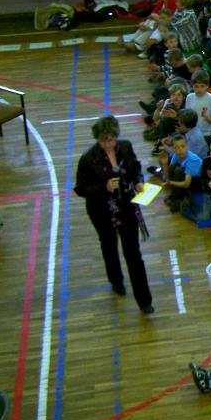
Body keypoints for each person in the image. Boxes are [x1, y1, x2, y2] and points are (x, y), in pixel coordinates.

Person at [74, 116, 153, 313]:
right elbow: (80, 188)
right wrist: (104, 187)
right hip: (102, 210)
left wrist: (138, 182)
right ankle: (116, 281)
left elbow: (136, 168)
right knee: (109, 247)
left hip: (126, 207)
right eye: (102, 140)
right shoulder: (88, 158)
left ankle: (145, 301)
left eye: (110, 139)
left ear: (116, 136)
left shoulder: (125, 147)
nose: (107, 144)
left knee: (133, 253)